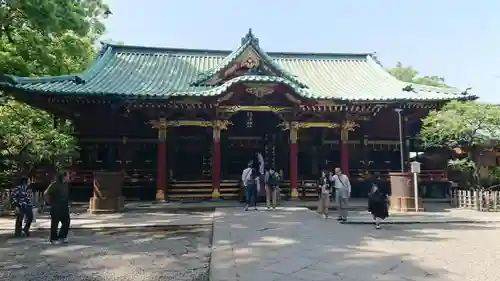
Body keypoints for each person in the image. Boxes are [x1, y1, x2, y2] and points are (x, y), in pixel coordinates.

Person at [44, 172, 70, 244]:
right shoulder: (55, 184)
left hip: (64, 205)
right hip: (56, 205)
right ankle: (53, 239)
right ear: (64, 176)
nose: (69, 176)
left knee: (66, 221)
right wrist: (49, 203)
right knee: (55, 223)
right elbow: (46, 193)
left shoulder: (66, 184)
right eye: (68, 175)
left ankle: (62, 236)